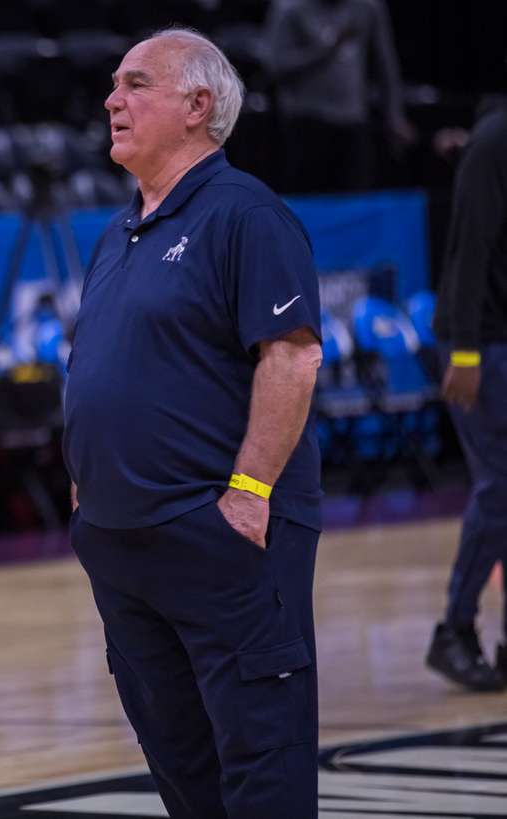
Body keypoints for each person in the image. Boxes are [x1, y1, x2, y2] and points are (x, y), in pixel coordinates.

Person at [65, 29, 324, 817]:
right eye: (114, 84)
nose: (112, 100)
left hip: (221, 538)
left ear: (197, 106)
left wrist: (248, 491)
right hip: (122, 545)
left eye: (136, 84)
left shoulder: (247, 215)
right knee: (185, 774)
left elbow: (292, 356)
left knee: (261, 768)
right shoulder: (119, 231)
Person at [425, 96, 507, 692]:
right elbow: (466, 252)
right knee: (500, 488)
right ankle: (453, 630)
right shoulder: (494, 141)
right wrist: (465, 351)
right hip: (485, 346)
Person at [265, 0, 414, 193]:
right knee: (308, 200)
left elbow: (386, 66)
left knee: (354, 202)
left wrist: (395, 117)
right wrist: (325, 50)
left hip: (353, 120)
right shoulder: (289, 7)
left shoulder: (368, 7)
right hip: (305, 121)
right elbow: (274, 67)